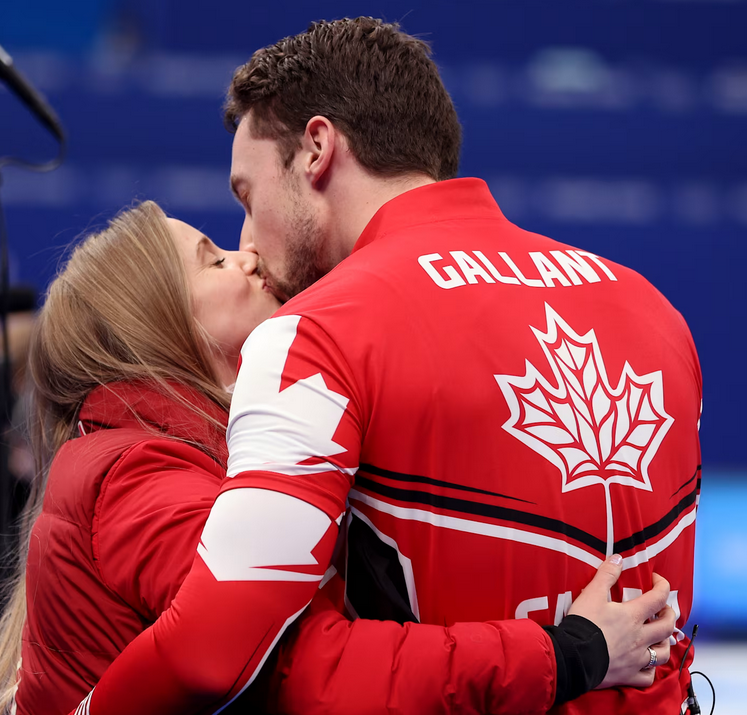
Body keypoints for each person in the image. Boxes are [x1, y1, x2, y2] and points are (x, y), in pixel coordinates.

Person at [78, 17, 701, 715]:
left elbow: (210, 651)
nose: (247, 242)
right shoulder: (653, 308)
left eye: (247, 197)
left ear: (316, 150)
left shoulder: (314, 334)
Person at [0, 201, 677, 715]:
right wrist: (567, 652)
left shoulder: (145, 451)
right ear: (155, 324)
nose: (247, 255)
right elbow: (310, 673)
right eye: (214, 259)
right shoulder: (142, 472)